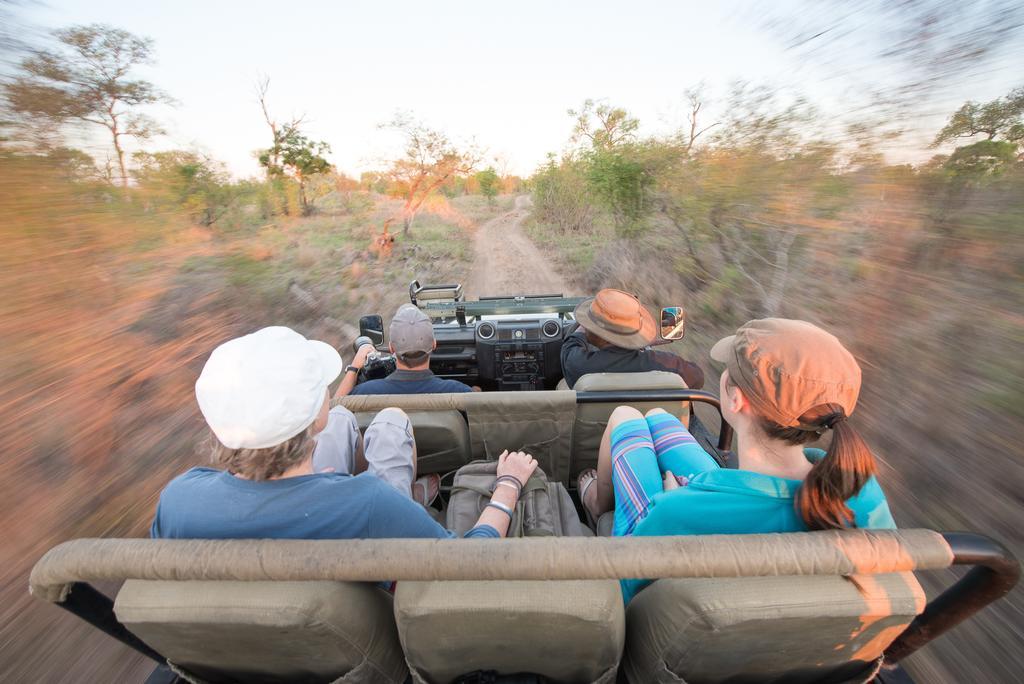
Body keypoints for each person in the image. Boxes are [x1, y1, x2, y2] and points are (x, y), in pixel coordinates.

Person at [577, 318, 896, 603]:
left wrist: (675, 500)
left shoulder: (676, 512)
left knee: (625, 417)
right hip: (727, 497)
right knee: (660, 416)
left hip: (664, 527)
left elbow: (622, 592)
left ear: (735, 399)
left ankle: (597, 505)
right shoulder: (859, 487)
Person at [151, 326, 537, 542]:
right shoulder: (368, 504)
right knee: (382, 427)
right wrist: (507, 486)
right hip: (367, 628)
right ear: (313, 416)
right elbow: (468, 563)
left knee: (346, 423)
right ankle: (415, 497)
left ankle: (416, 494)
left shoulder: (177, 501)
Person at [560, 289, 704, 390]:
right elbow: (698, 377)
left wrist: (584, 326)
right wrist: (641, 343)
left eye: (589, 326)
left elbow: (570, 346)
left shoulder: (578, 365)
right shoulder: (667, 364)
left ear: (596, 334)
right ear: (635, 335)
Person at [336, 304, 474, 397]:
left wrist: (354, 368)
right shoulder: (459, 393)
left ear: (391, 348)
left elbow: (335, 414)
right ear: (434, 344)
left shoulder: (365, 393)